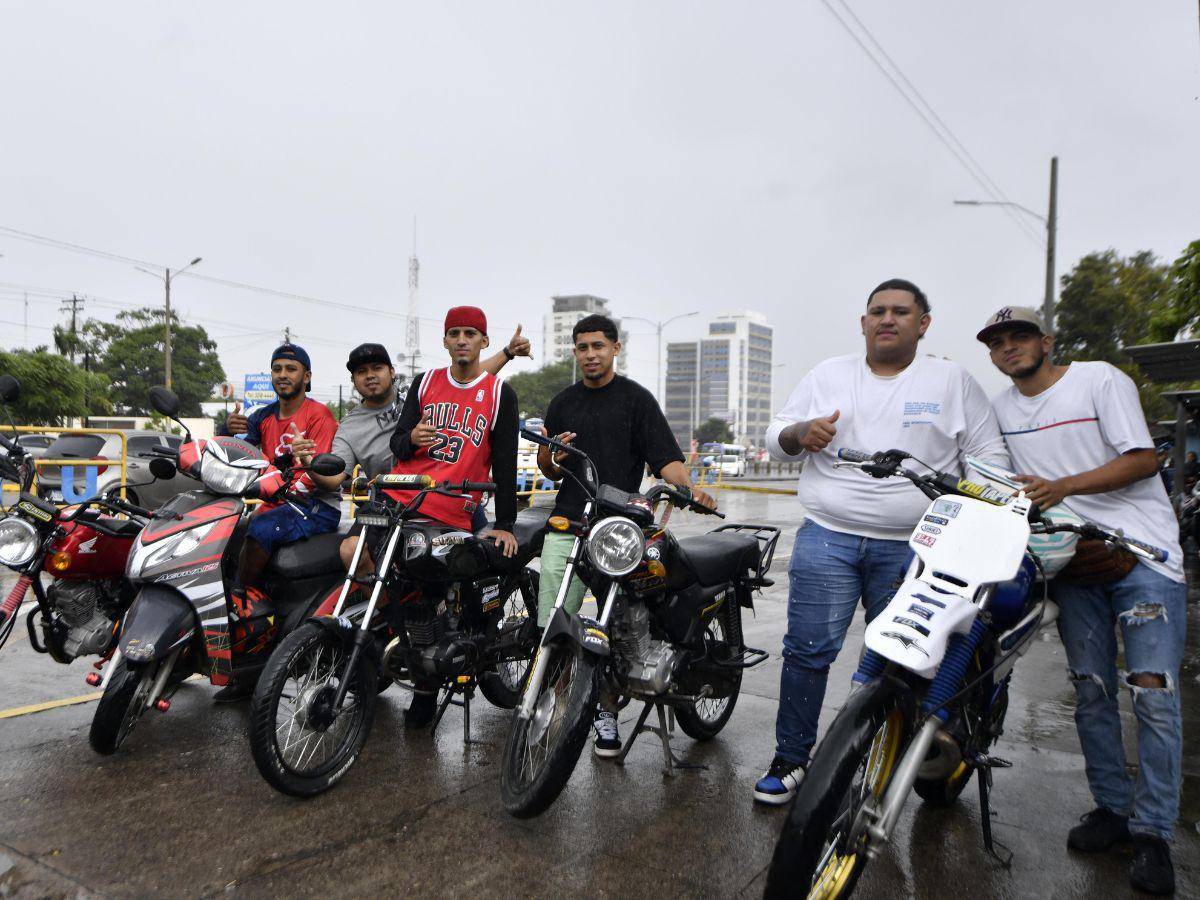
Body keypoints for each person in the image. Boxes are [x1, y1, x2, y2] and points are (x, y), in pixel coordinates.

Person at [755, 278, 1009, 805]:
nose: (886, 319)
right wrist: (800, 432)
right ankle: (792, 760)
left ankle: (882, 765)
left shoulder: (952, 381)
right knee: (807, 652)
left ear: (923, 323)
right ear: (863, 322)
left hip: (918, 550)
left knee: (904, 662)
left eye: (899, 311)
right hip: (828, 538)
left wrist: (981, 517)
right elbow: (775, 440)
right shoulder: (829, 375)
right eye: (876, 311)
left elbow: (991, 463)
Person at [978, 305, 1184, 895]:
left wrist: (1063, 486)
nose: (1009, 347)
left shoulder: (1098, 380)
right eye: (997, 341)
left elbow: (1146, 459)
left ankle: (1154, 832)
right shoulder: (999, 410)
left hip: (1143, 557)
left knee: (1151, 693)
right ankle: (1113, 811)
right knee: (1090, 690)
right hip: (1072, 561)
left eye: (1019, 335)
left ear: (1047, 341)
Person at [536, 313, 717, 757]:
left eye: (599, 345)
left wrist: (690, 487)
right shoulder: (561, 402)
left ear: (616, 348)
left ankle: (606, 711)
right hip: (566, 523)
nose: (590, 354)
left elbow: (665, 461)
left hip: (619, 528)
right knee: (550, 623)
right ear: (574, 351)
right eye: (582, 347)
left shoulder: (636, 400)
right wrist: (548, 452)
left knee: (617, 625)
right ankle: (544, 706)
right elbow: (548, 467)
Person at [374, 306, 521, 725]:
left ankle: (425, 689)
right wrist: (411, 437)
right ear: (444, 341)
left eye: (470, 333)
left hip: (451, 510)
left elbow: (506, 464)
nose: (461, 340)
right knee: (358, 559)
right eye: (454, 332)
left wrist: (506, 524)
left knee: (428, 594)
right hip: (400, 500)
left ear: (483, 342)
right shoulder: (424, 383)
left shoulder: (498, 394)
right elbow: (399, 445)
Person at [307, 329, 532, 576]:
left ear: (392, 372)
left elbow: (469, 377)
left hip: (452, 497)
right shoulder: (349, 426)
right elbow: (335, 477)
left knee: (477, 576)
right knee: (372, 561)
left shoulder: (420, 392)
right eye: (361, 372)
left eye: (377, 368)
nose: (370, 376)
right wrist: (310, 463)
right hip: (395, 501)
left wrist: (508, 353)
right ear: (353, 380)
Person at [218, 343, 340, 700]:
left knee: (257, 532)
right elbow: (243, 456)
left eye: (291, 369)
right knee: (225, 532)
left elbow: (320, 469)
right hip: (275, 504)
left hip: (315, 506)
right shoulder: (262, 417)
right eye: (277, 369)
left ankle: (242, 604)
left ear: (307, 376)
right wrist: (229, 430)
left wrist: (279, 487)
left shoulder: (321, 416)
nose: (283, 375)